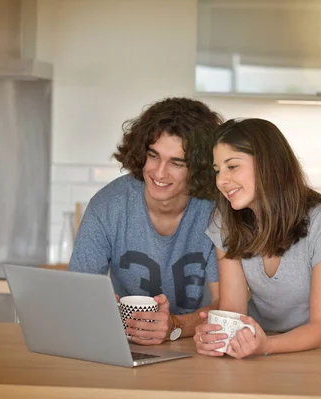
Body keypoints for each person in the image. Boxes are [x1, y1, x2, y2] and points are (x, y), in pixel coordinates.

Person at [194, 118, 321, 359]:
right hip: (258, 355)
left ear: (268, 164)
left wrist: (265, 345)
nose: (221, 180)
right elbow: (233, 309)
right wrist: (216, 334)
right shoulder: (226, 221)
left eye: (233, 166)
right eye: (217, 170)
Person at [69, 97, 223, 345]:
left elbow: (227, 305)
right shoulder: (107, 206)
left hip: (197, 346)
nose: (159, 173)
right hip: (124, 345)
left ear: (199, 167)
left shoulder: (217, 211)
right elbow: (78, 296)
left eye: (176, 162)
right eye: (153, 156)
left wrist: (176, 325)